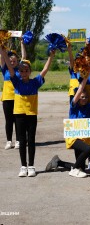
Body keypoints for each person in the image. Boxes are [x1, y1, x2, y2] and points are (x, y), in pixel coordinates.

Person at [0, 46, 55, 177]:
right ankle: (23, 166)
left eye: (26, 71)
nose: (24, 73)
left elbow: (45, 69)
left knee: (31, 140)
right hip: (19, 114)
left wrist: (51, 56)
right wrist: (2, 51)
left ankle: (31, 166)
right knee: (22, 140)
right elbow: (9, 65)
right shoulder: (16, 81)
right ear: (19, 71)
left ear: (30, 71)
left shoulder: (35, 82)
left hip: (31, 115)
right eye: (22, 71)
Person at [45, 76, 90, 177]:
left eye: (86, 97)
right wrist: (85, 78)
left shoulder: (89, 107)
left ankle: (58, 162)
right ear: (77, 98)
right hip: (74, 137)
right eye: (82, 97)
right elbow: (79, 92)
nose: (84, 99)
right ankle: (74, 170)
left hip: (84, 138)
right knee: (88, 150)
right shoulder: (73, 107)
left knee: (81, 166)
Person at [1, 39, 26, 149]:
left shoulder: (20, 69)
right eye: (10, 61)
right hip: (7, 98)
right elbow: (2, 56)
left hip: (18, 98)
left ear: (17, 61)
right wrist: (3, 44)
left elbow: (24, 57)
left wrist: (22, 43)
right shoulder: (5, 69)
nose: (12, 63)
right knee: (8, 120)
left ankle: (18, 141)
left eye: (14, 61)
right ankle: (9, 141)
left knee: (18, 120)